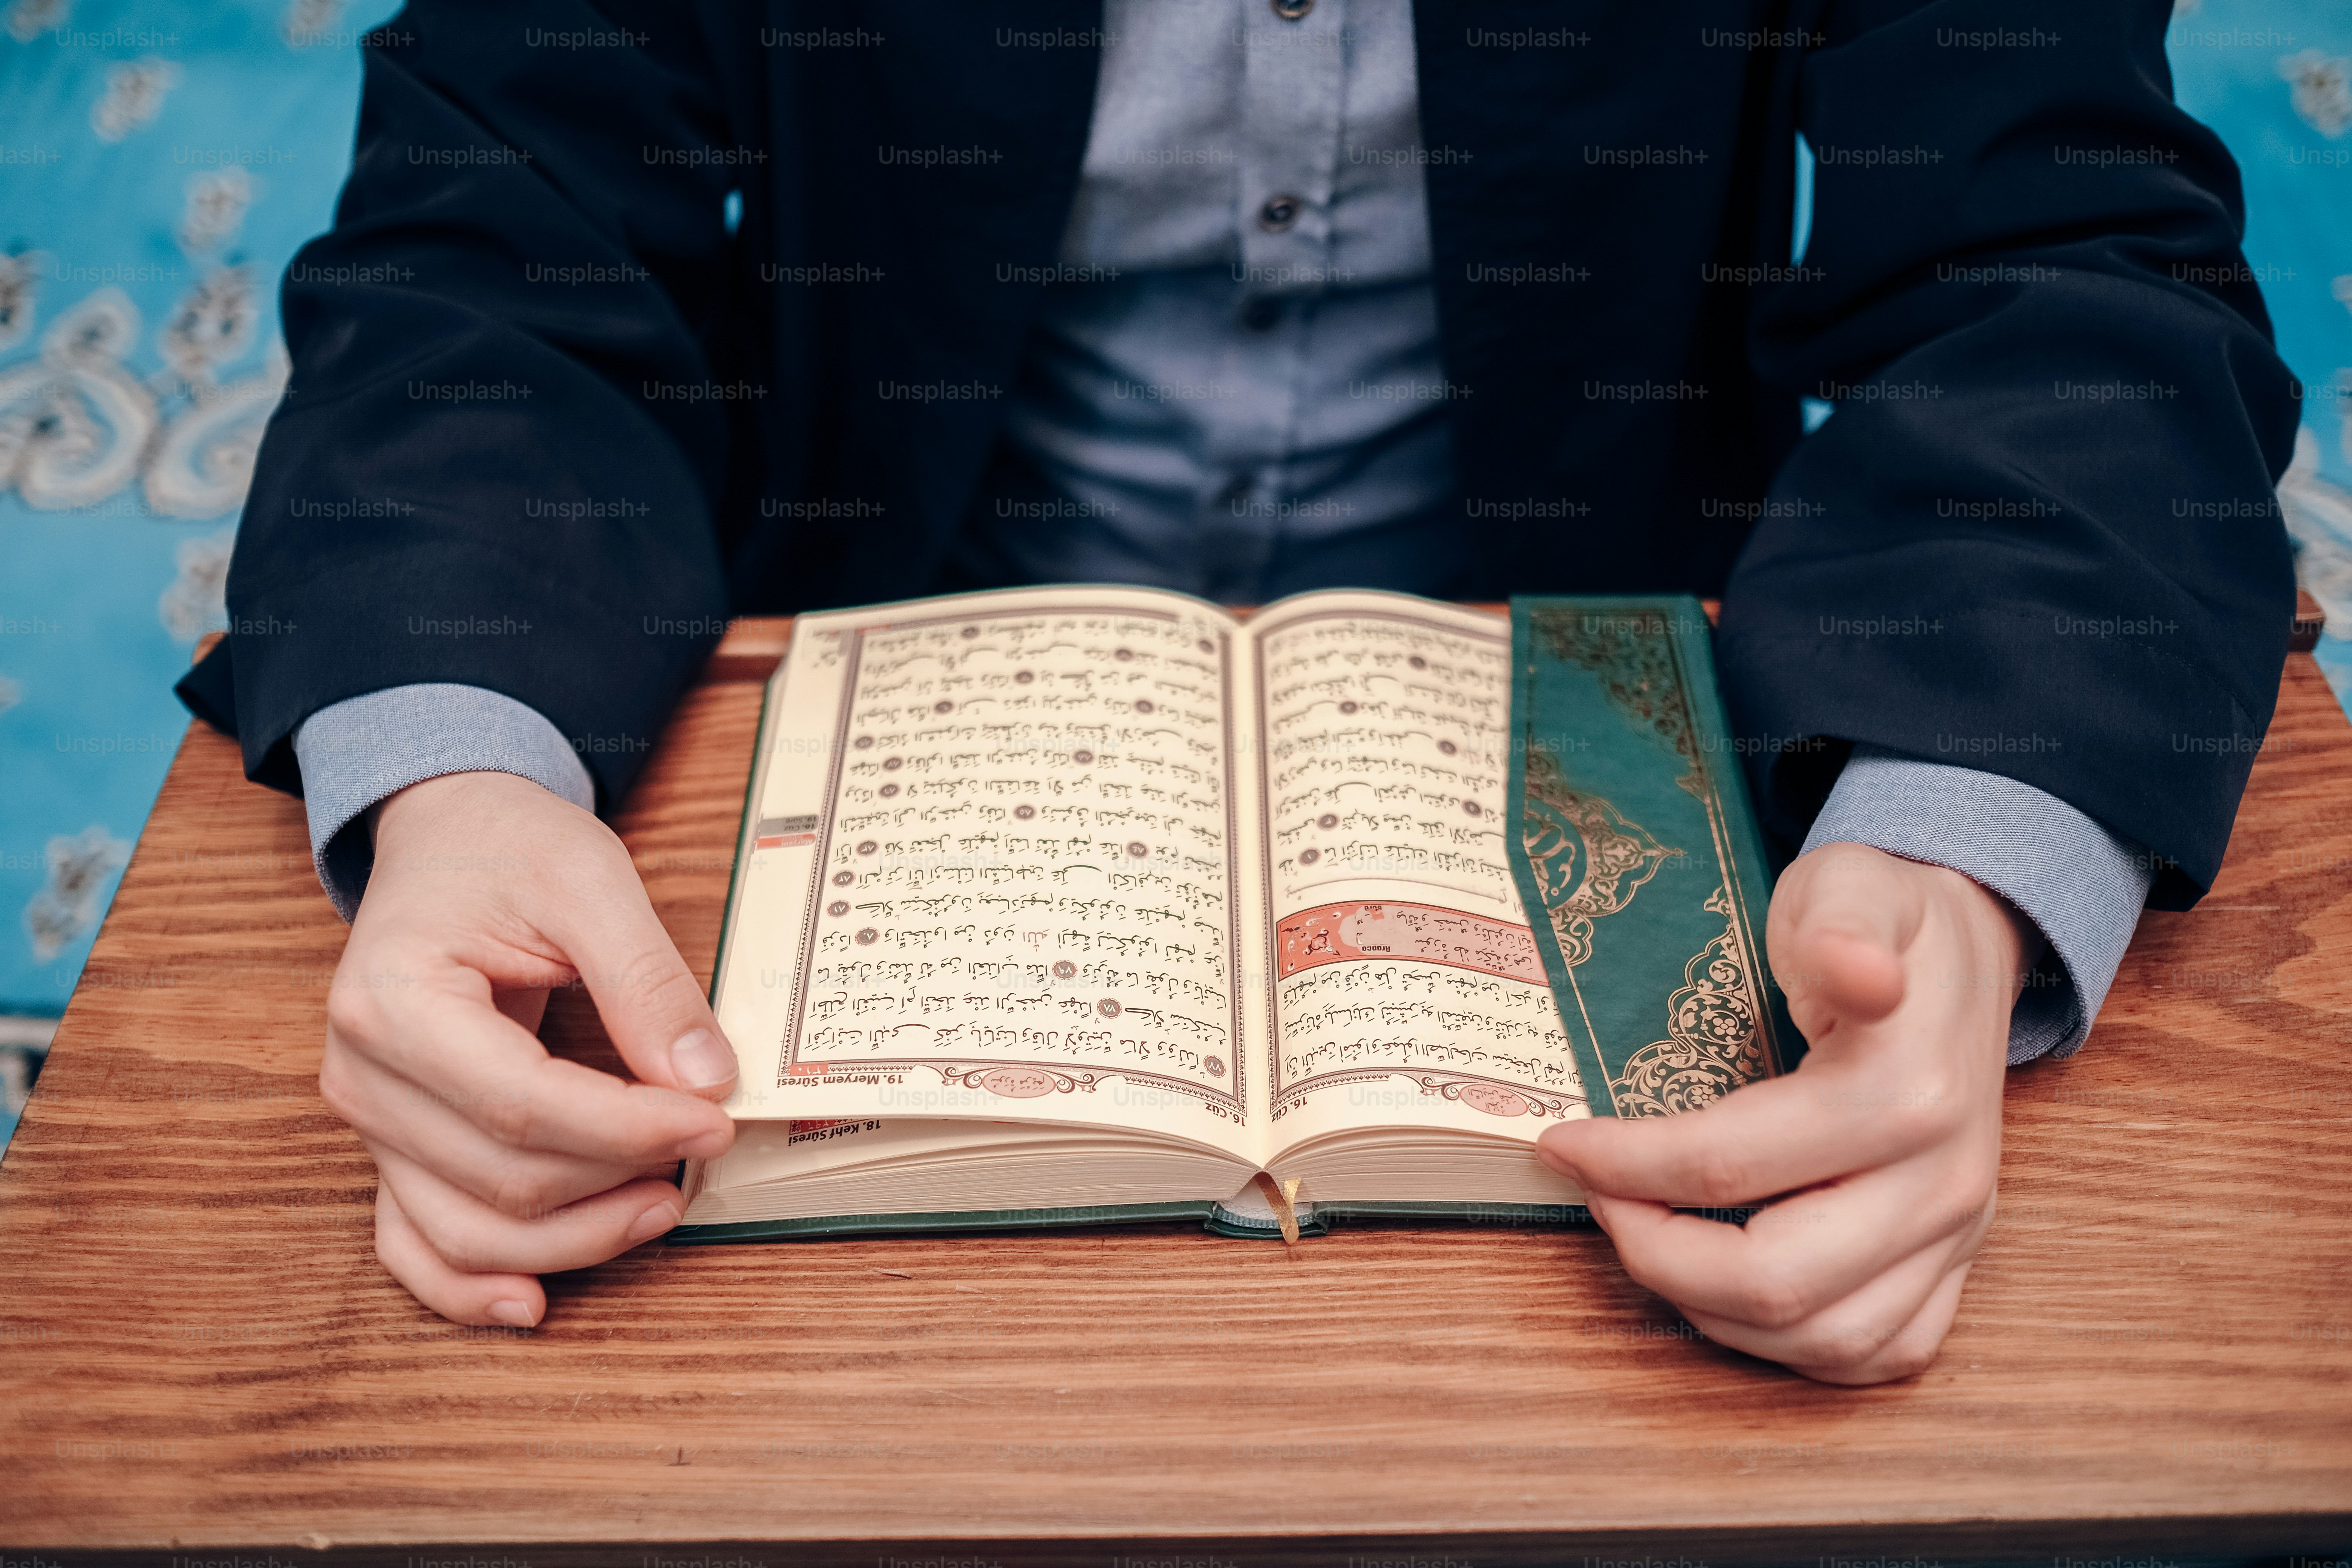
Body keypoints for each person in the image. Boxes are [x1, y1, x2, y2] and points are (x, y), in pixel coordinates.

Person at [180, 0, 2299, 1384]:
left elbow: (2063, 259)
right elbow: (497, 235)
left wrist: (1961, 839)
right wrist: (454, 768)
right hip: (864, 613)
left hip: (1595, 631)